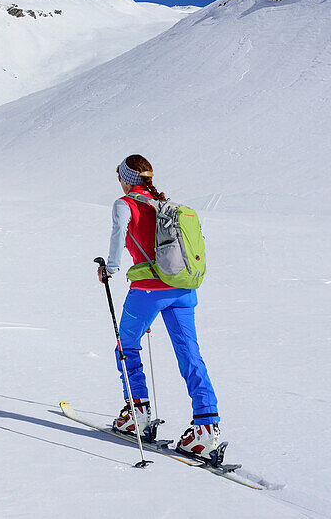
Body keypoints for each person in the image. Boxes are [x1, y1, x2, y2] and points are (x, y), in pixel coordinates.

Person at [96, 154, 221, 458]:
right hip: (182, 287)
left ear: (127, 179)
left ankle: (136, 415)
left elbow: (118, 234)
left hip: (150, 288)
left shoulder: (125, 203)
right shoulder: (164, 205)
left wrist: (110, 268)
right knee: (190, 354)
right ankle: (206, 428)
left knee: (126, 345)